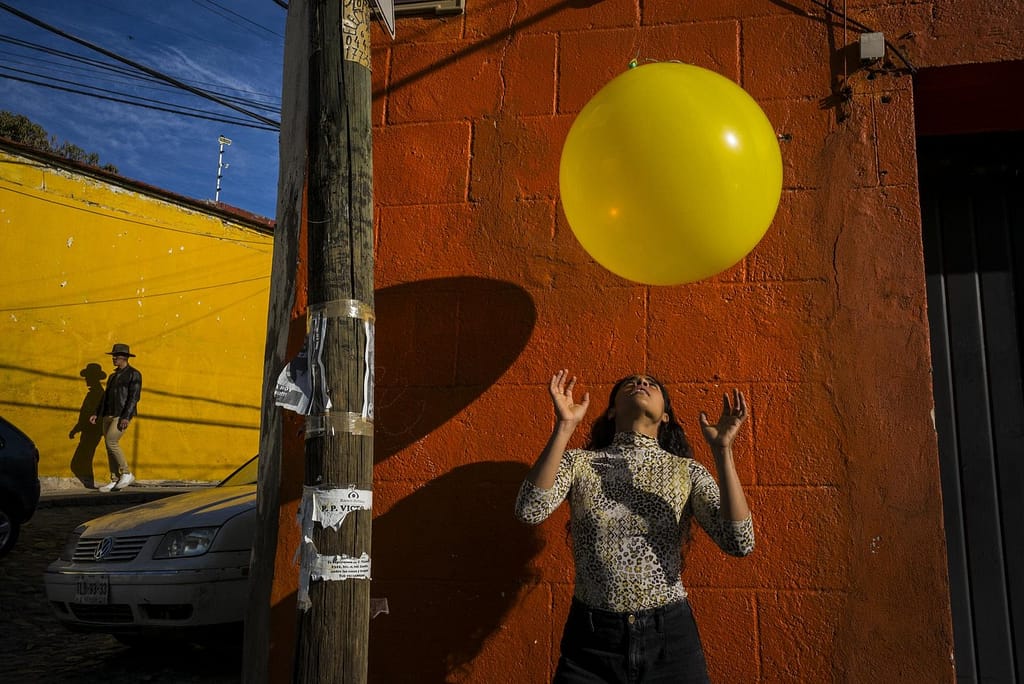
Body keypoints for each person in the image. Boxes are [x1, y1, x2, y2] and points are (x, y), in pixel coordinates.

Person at [515, 370, 755, 683]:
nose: (641, 383)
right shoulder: (579, 463)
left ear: (666, 416)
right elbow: (529, 510)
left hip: (669, 640)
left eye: (652, 384)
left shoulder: (687, 471)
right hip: (591, 643)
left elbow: (740, 543)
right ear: (612, 410)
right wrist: (564, 427)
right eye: (630, 383)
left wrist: (723, 451)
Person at [89, 343, 142, 492]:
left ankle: (126, 473)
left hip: (121, 415)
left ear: (124, 357)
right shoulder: (113, 376)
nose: (113, 358)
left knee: (111, 441)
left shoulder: (134, 374)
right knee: (108, 446)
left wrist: (126, 416)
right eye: (113, 356)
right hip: (108, 414)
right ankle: (114, 479)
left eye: (116, 356)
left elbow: (134, 397)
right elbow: (105, 397)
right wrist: (96, 413)